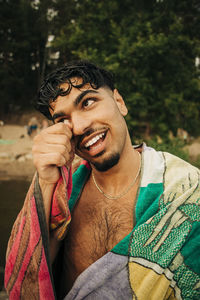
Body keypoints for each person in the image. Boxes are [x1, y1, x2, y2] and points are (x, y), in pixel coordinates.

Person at [4, 61, 200, 300]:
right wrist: (46, 182)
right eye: (63, 120)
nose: (80, 127)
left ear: (119, 102)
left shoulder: (187, 191)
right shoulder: (62, 192)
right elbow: (33, 277)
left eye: (88, 103)